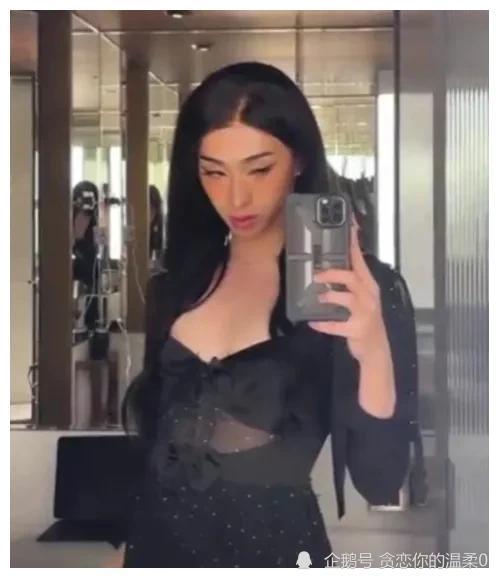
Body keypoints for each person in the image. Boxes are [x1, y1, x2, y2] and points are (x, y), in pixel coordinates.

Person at [118, 61, 419, 568]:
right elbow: (156, 450)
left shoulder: (356, 291)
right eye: (214, 172)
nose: (236, 197)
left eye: (259, 169)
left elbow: (381, 479)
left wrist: (373, 348)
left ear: (298, 159)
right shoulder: (176, 285)